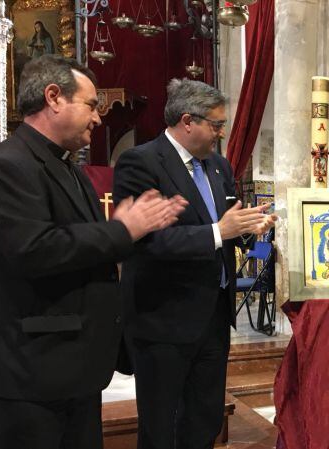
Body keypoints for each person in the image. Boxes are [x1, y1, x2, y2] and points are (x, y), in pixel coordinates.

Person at [0, 55, 185, 449]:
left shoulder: (68, 168)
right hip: (34, 376)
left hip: (73, 371)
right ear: (54, 98)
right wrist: (123, 230)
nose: (98, 118)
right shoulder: (9, 165)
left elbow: (81, 242)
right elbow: (34, 250)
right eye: (91, 105)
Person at [113, 78, 276, 449]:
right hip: (163, 321)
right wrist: (219, 231)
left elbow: (229, 224)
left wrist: (251, 227)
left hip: (214, 317)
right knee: (161, 426)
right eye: (216, 125)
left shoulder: (218, 165)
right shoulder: (140, 163)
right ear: (188, 121)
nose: (221, 133)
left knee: (204, 419)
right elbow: (146, 242)